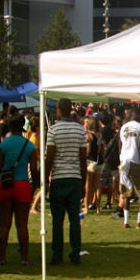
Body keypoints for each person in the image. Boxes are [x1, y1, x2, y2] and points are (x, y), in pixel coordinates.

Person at [46, 98, 87, 265]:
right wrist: (83, 181)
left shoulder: (53, 130)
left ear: (58, 109)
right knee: (74, 219)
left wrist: (45, 178)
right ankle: (75, 253)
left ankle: (57, 255)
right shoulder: (80, 130)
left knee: (58, 220)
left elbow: (49, 157)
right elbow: (83, 158)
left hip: (59, 177)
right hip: (75, 177)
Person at [0, 114, 38, 265]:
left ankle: (2, 258)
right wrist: (34, 187)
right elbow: (34, 170)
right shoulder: (30, 146)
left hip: (5, 183)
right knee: (22, 225)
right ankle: (24, 258)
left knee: (4, 224)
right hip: (22, 184)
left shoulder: (3, 145)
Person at [118, 108, 140, 228]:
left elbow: (120, 144)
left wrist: (120, 159)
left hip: (123, 159)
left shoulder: (123, 127)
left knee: (126, 192)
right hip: (135, 159)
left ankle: (126, 221)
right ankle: (139, 221)